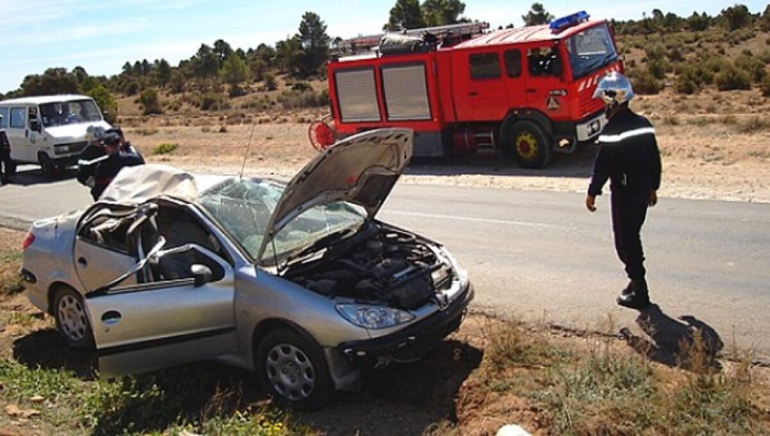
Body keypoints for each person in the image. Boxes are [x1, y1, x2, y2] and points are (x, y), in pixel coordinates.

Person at [585, 72, 662, 310]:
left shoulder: (613, 130)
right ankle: (634, 280)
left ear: (612, 100)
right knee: (633, 235)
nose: (603, 104)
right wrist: (653, 187)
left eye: (604, 100)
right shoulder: (644, 124)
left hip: (625, 191)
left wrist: (592, 192)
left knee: (625, 242)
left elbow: (603, 165)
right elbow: (654, 159)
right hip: (642, 191)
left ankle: (640, 290)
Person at [91, 133, 145, 200]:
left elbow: (98, 191)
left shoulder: (102, 166)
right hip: (136, 197)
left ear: (106, 147)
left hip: (113, 202)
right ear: (120, 145)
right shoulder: (134, 159)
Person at [0, 114, 13, 185]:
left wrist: (8, 147)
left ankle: (7, 177)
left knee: (8, 164)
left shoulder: (2, 130)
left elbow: (5, 140)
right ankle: (2, 178)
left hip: (4, 150)